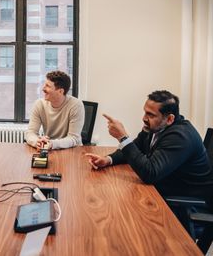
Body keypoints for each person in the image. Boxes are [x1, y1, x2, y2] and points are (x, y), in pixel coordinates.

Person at [87, 90, 213, 253]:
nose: (144, 118)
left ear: (169, 119)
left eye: (150, 114)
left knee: (118, 225)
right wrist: (108, 160)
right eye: (145, 112)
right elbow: (136, 147)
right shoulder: (155, 128)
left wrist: (123, 138)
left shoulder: (180, 137)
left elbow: (150, 172)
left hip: (187, 205)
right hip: (162, 192)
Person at [25, 70, 85, 150]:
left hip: (72, 151)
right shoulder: (39, 104)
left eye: (48, 86)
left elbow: (73, 138)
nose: (43, 89)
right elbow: (30, 133)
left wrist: (52, 144)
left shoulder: (76, 105)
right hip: (49, 149)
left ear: (60, 91)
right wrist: (37, 142)